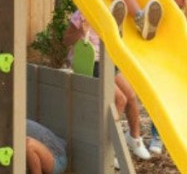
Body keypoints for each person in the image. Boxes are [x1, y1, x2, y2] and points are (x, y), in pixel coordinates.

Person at [63, 10, 152, 161]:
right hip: (89, 60)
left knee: (130, 95)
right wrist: (81, 31)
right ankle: (108, 149)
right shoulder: (82, 14)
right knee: (120, 99)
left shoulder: (112, 9)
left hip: (108, 58)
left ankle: (134, 138)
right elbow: (66, 40)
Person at [147, 0, 187, 154]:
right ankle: (157, 136)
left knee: (176, 99)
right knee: (160, 99)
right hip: (158, 59)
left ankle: (175, 134)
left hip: (176, 60)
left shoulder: (182, 9)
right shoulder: (164, 4)